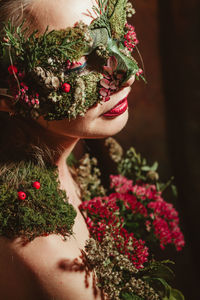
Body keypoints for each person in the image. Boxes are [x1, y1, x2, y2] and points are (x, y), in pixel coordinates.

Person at [0, 0, 137, 299]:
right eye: (78, 63)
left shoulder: (64, 151)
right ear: (8, 95)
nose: (126, 72)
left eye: (116, 34)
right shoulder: (56, 262)